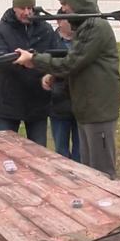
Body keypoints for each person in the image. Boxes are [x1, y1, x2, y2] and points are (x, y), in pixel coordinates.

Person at [14, 0, 120, 179]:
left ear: (77, 1)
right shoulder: (85, 27)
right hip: (87, 109)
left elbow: (72, 62)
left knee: (104, 174)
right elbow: (76, 63)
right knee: (91, 173)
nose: (62, 10)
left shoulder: (95, 27)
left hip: (98, 110)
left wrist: (34, 60)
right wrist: (53, 73)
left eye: (65, 4)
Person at [0, 0, 59, 146]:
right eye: (22, 8)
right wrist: (22, 60)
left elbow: (55, 56)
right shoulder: (0, 29)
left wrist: (42, 66)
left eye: (30, 8)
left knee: (39, 152)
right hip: (9, 101)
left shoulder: (46, 29)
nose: (27, 12)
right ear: (14, 7)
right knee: (4, 150)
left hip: (38, 101)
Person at [47, 11, 80, 162]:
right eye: (69, 19)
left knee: (80, 150)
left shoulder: (82, 41)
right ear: (60, 22)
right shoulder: (50, 41)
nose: (73, 23)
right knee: (61, 150)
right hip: (58, 103)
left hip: (80, 104)